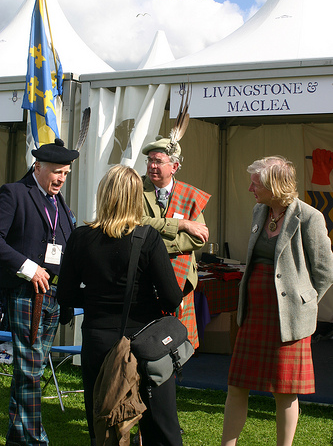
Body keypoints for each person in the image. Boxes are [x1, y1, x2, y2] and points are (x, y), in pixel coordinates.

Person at [57, 164, 184, 446]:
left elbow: (64, 295)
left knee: (105, 427)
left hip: (98, 341)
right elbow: (172, 298)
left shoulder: (80, 237)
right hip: (145, 343)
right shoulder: (147, 237)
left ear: (103, 195)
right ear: (136, 197)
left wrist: (95, 300)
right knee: (159, 426)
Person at [221, 155, 333, 446]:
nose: (250, 189)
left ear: (275, 185)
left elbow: (325, 271)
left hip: (289, 317)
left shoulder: (309, 217)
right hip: (254, 313)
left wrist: (304, 302)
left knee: (285, 391)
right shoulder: (260, 211)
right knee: (237, 385)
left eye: (255, 184)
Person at [0, 138, 79, 446]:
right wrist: (28, 267)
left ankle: (18, 439)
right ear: (38, 167)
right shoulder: (14, 194)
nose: (61, 179)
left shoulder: (60, 205)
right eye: (57, 172)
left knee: (27, 372)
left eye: (66, 173)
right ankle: (35, 440)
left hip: (53, 300)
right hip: (25, 295)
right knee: (31, 371)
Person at [141, 136, 210, 350]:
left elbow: (198, 238)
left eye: (158, 161)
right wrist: (181, 225)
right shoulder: (135, 189)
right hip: (144, 277)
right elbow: (135, 223)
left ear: (175, 166)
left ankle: (169, 381)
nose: (152, 165)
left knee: (175, 341)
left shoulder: (189, 195)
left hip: (180, 279)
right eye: (150, 160)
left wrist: (156, 245)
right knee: (146, 340)